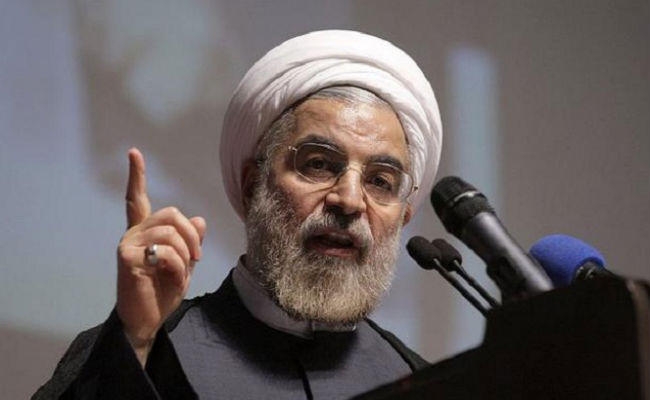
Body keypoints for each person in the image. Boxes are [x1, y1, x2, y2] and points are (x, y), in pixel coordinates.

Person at [34, 30, 442, 399]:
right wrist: (136, 340)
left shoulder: (423, 380)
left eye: (381, 181)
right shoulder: (140, 350)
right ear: (252, 186)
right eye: (318, 164)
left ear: (404, 216)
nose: (350, 200)